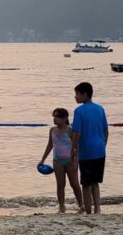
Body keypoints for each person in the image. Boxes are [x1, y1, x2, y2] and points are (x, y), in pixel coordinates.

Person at [71, 82, 108, 215]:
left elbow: (77, 134)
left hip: (86, 151)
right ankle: (97, 209)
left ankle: (88, 211)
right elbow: (105, 131)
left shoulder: (79, 111)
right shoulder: (100, 109)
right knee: (95, 182)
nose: (75, 97)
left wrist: (73, 150)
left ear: (84, 94)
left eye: (77, 94)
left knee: (86, 184)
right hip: (99, 149)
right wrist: (103, 145)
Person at [39, 108, 83, 213]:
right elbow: (50, 145)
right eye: (54, 116)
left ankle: (81, 204)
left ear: (65, 118)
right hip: (57, 160)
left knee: (74, 184)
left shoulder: (70, 130)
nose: (55, 119)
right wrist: (43, 159)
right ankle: (61, 206)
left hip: (70, 160)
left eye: (57, 117)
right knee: (60, 184)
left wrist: (76, 161)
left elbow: (77, 146)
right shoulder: (52, 130)